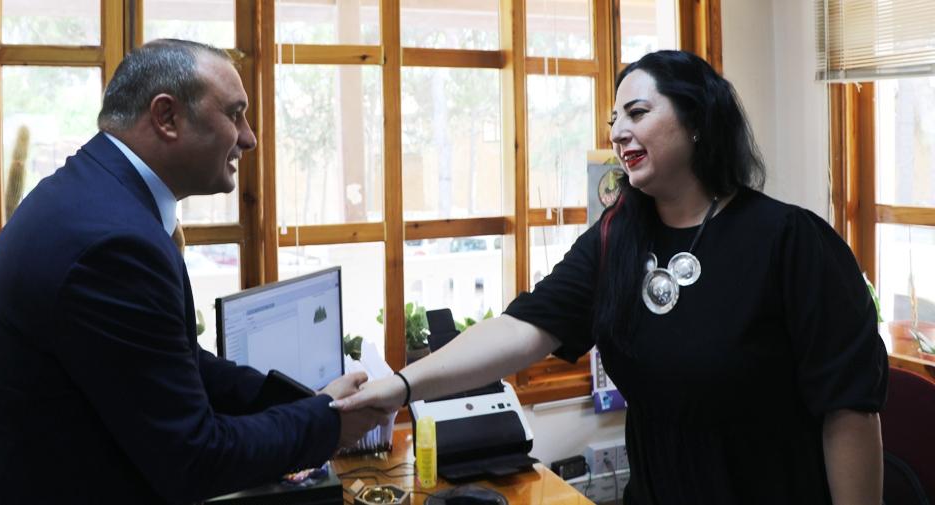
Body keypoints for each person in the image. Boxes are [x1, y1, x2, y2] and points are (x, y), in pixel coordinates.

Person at [334, 50, 888, 505]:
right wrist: (401, 387)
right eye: (614, 122)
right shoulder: (617, 237)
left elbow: (849, 411)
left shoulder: (791, 242)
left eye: (638, 113)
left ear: (697, 120)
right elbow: (524, 327)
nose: (620, 133)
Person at [0, 39, 386, 503]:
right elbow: (195, 460)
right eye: (235, 114)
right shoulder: (114, 243)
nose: (249, 137)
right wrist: (329, 424)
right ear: (167, 117)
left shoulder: (96, 194)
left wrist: (306, 401)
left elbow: (176, 361)